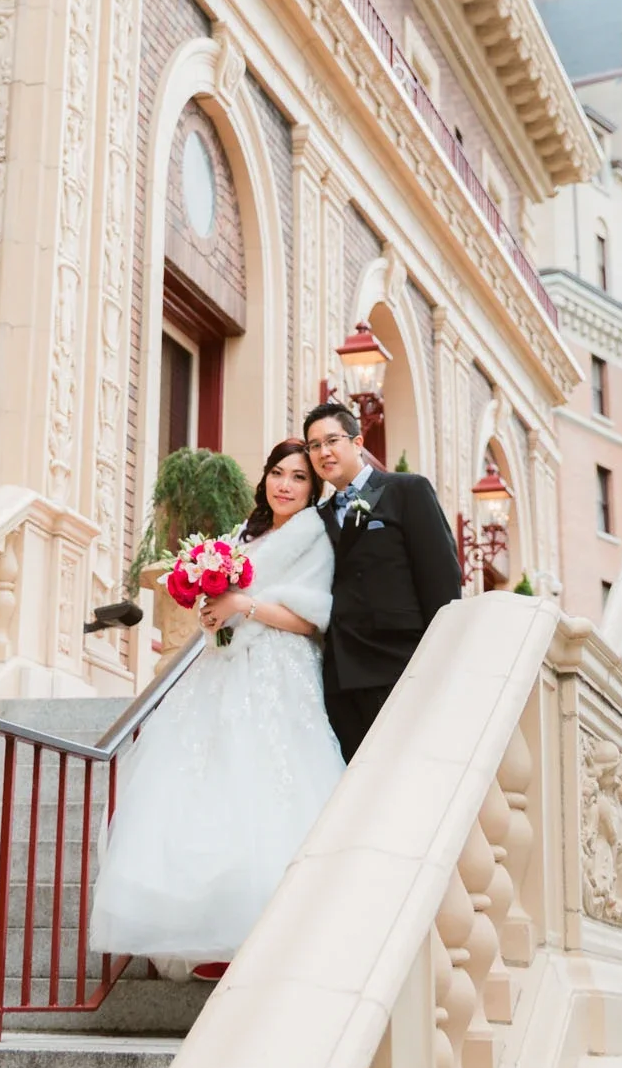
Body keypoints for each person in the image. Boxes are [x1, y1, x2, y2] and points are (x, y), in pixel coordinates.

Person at [88, 439, 347, 979]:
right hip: (222, 668)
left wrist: (243, 605)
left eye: (299, 478)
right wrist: (212, 611)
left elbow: (313, 618)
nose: (285, 485)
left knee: (266, 784)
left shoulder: (315, 537)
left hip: (279, 670)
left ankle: (273, 935)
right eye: (277, 473)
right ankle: (208, 933)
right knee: (202, 785)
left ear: (312, 488)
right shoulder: (243, 537)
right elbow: (221, 604)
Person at [303, 402, 463, 762]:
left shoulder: (406, 491)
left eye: (332, 440)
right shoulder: (316, 518)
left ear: (357, 442)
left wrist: (441, 661)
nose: (323, 452)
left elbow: (442, 581)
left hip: (399, 666)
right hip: (340, 678)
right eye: (314, 445)